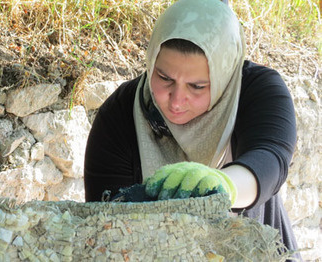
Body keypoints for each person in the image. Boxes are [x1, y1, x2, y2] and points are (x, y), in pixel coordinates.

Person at [83, 0, 301, 259]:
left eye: (197, 86)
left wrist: (225, 185)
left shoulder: (257, 90)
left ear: (224, 76)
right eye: (164, 78)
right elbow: (107, 227)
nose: (176, 101)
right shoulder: (120, 115)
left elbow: (270, 158)